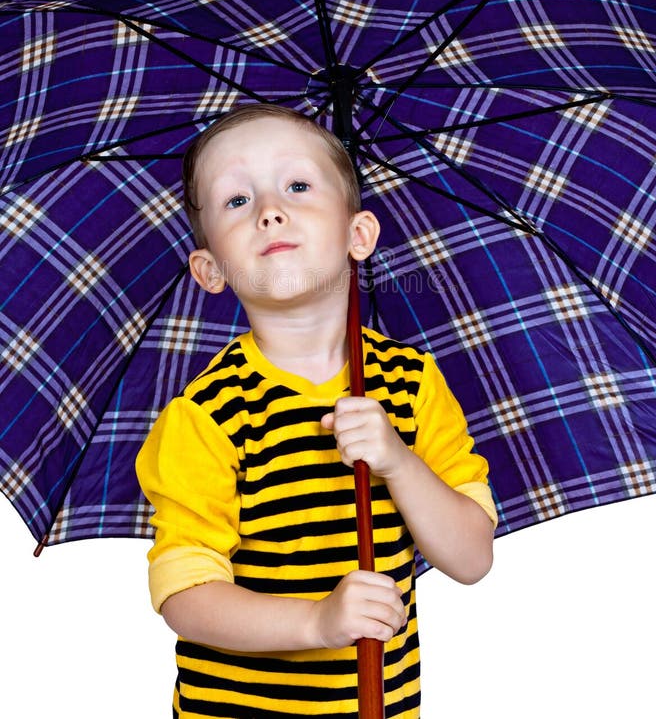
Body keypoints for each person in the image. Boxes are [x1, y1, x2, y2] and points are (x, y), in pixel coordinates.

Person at [136, 103, 497, 718]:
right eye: (236, 201)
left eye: (298, 185)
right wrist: (319, 622)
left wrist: (399, 463)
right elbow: (186, 599)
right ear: (209, 268)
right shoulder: (208, 414)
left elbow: (471, 558)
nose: (270, 209)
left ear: (359, 235)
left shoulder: (410, 386)